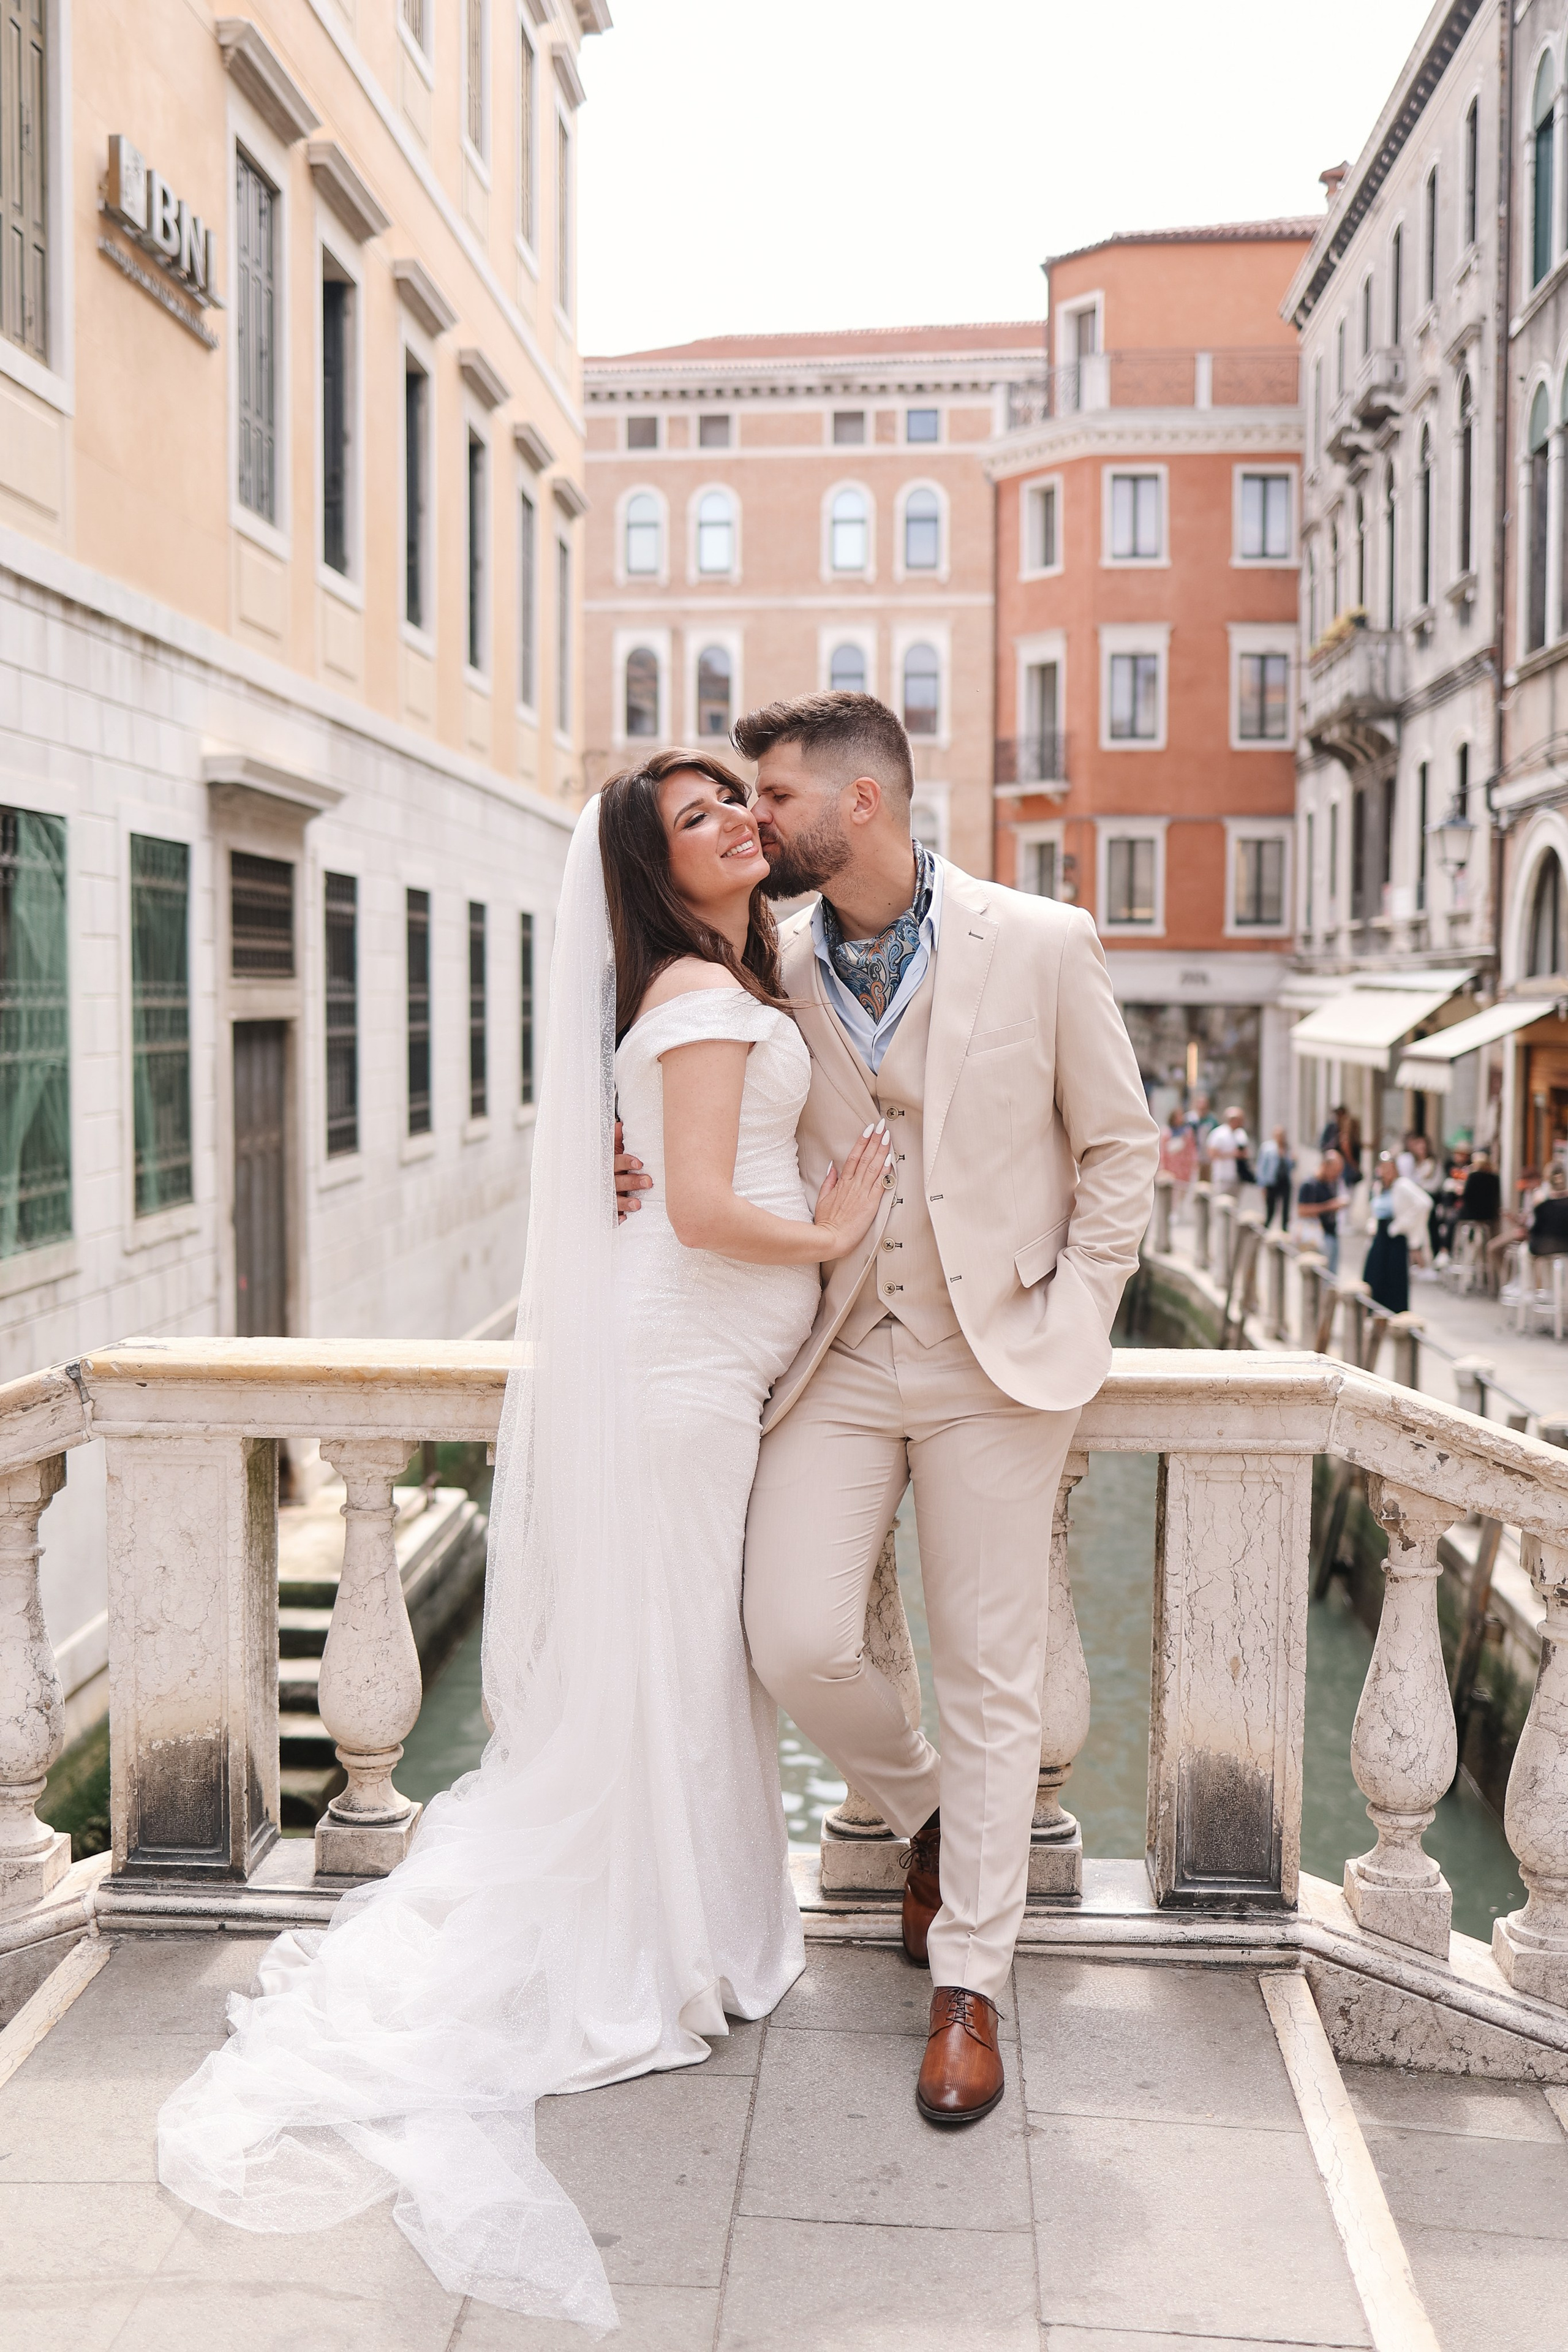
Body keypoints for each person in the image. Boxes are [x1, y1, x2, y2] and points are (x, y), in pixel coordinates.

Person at [157, 752, 893, 2330]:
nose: (737, 825)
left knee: (685, 1654)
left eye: (736, 804)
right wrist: (826, 1230)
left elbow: (660, 1178)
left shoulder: (711, 980)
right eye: (700, 819)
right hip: (688, 1363)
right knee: (684, 1655)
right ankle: (670, 1940)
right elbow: (698, 1203)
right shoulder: (696, 1004)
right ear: (653, 870)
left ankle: (694, 1922)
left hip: (699, 1364)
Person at [622, 690, 1158, 2127]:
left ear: (856, 803)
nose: (751, 817)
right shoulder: (762, 962)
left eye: (772, 794)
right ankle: (930, 1818)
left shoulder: (1038, 941)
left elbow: (1119, 1148)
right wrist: (636, 1166)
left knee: (992, 1672)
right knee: (792, 1632)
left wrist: (1072, 1309)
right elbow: (693, 1107)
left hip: (999, 1362)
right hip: (841, 1354)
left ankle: (969, 1981)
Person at [1363, 1152, 1430, 1314]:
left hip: (1394, 1236)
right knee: (1374, 1274)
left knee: (1395, 1277)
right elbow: (1375, 1211)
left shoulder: (1402, 1185)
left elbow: (1424, 1203)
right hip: (1380, 1235)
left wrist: (1401, 1225)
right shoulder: (1379, 1187)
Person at [1296, 1148, 1346, 1275]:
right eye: (1335, 1172)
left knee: (1332, 1275)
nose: (1336, 1175)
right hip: (1317, 1236)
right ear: (1325, 1166)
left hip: (1332, 1232)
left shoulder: (1332, 1183)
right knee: (1322, 1275)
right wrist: (1329, 1206)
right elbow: (1301, 1210)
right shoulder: (1309, 1184)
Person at [1158, 1105, 1199, 1218]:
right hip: (1172, 1165)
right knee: (1173, 1190)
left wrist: (1194, 1161)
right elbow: (1163, 1150)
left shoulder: (1187, 1132)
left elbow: (1192, 1148)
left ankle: (1180, 1210)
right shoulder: (1167, 1132)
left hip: (1184, 1166)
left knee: (1184, 1189)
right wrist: (1162, 1166)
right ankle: (1173, 1211)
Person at [1206, 1104, 1251, 1194]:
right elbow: (1212, 1154)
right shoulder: (1218, 1134)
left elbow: (1246, 1152)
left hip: (1238, 1175)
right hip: (1223, 1176)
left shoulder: (1241, 1134)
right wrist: (1232, 1154)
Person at [1256, 1127, 1294, 1227]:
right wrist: (1262, 1184)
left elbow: (1291, 1166)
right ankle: (1266, 1227)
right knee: (1271, 1208)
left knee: (1286, 1207)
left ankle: (1284, 1228)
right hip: (1272, 1181)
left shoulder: (1287, 1148)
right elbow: (1261, 1166)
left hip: (1284, 1180)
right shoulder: (1267, 1148)